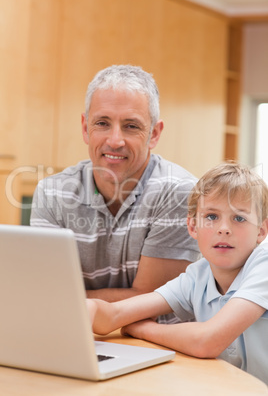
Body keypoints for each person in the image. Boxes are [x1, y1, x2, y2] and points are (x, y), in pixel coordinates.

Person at [30, 65, 199, 322]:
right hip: (78, 336)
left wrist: (66, 299)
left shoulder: (178, 192)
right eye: (102, 123)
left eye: (131, 126)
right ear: (86, 128)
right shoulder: (51, 193)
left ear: (154, 134)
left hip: (158, 345)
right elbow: (46, 293)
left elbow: (151, 299)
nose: (115, 140)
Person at [87, 162, 268, 384]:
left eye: (239, 218)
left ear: (261, 231)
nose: (223, 228)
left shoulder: (264, 267)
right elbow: (113, 316)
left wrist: (143, 329)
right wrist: (89, 308)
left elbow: (207, 341)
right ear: (192, 227)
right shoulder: (197, 276)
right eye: (211, 216)